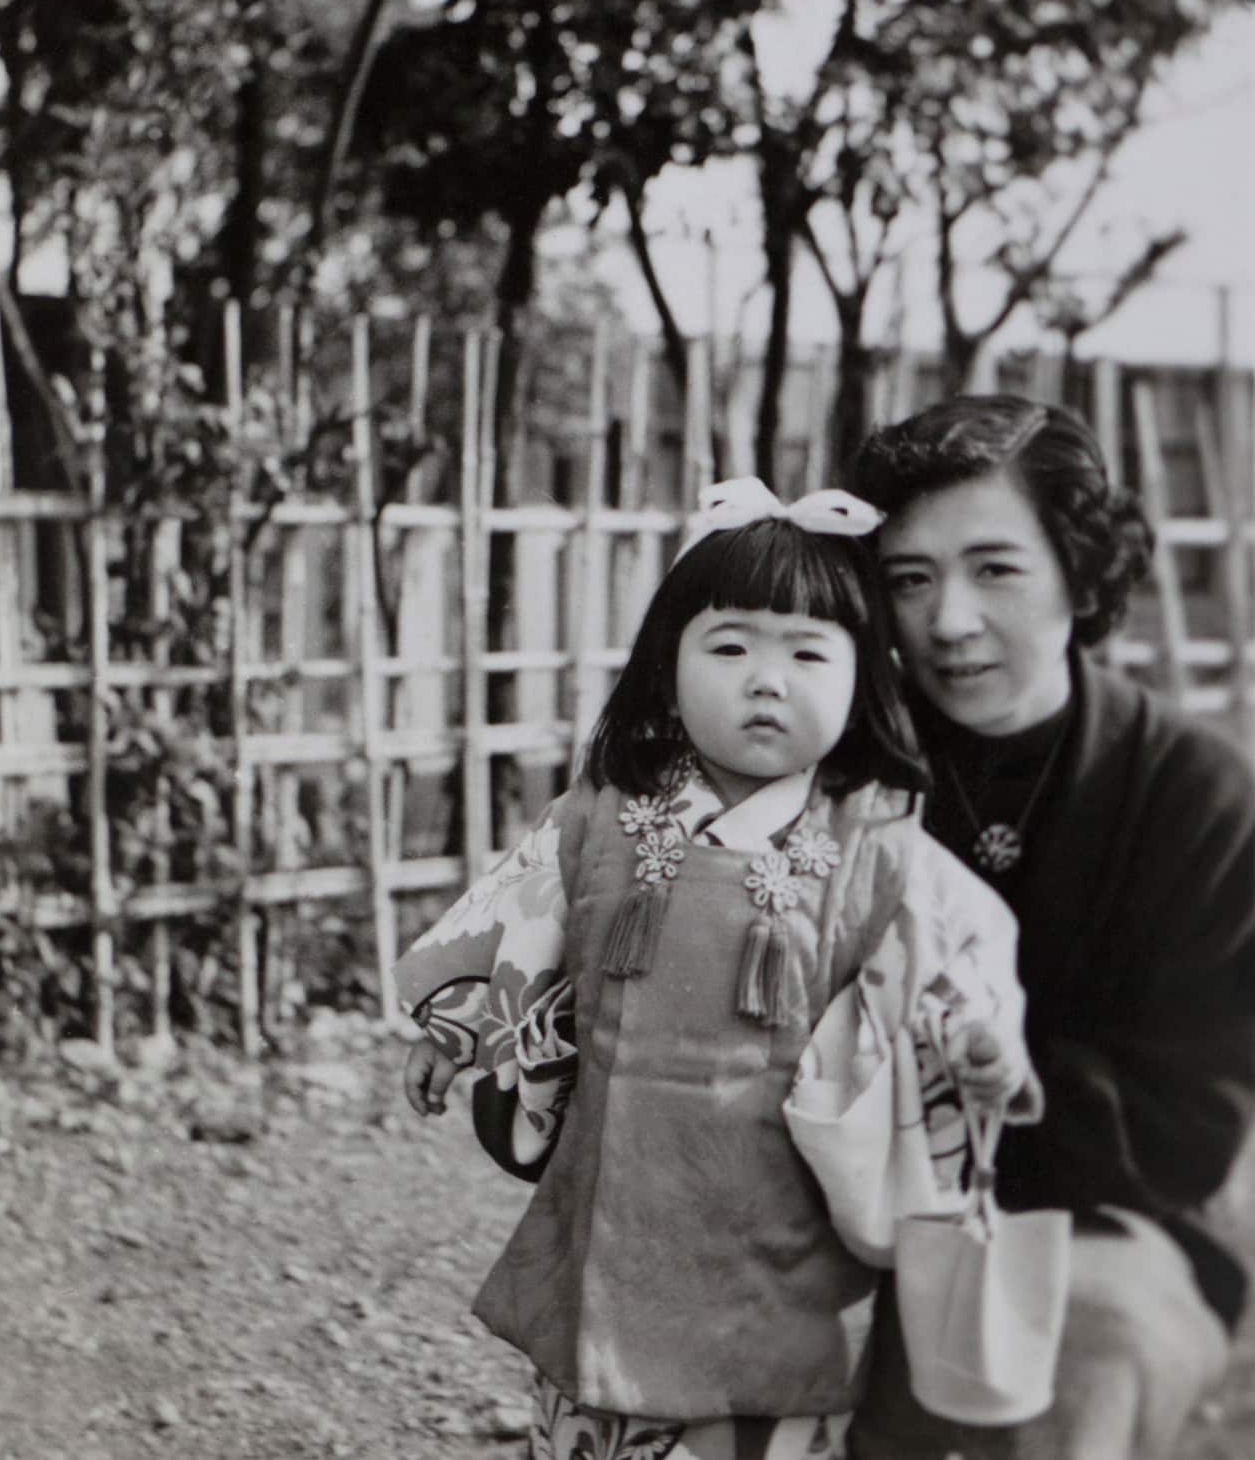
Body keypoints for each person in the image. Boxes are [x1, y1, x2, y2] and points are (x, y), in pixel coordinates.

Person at [395, 478, 1040, 1460]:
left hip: (777, 1239)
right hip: (618, 1207)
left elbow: (947, 971)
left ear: (863, 678)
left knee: (762, 1414)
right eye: (729, 645)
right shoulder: (601, 818)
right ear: (667, 664)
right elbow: (517, 929)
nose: (765, 680)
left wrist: (974, 1042)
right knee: (594, 1408)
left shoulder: (877, 847)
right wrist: (457, 1028)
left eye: (807, 652)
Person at [848, 393, 1255, 1460]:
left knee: (1084, 1344)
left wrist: (971, 1086)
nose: (945, 621)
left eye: (993, 568)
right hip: (841, 1201)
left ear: (1078, 575)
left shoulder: (1193, 794)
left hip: (1103, 1220)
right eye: (908, 578)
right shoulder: (839, 771)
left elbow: (1187, 1124)